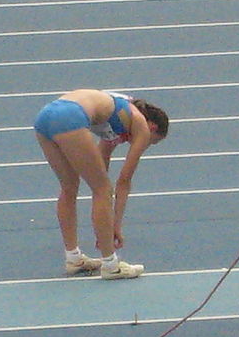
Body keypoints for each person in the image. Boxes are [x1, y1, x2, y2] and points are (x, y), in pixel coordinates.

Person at [34, 89, 168, 279]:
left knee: (69, 187)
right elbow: (123, 181)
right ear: (152, 127)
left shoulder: (117, 116)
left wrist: (104, 224)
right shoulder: (140, 125)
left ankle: (73, 258)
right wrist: (115, 226)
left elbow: (101, 162)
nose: (144, 144)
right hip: (70, 116)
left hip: (46, 116)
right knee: (103, 189)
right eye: (151, 143)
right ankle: (111, 265)